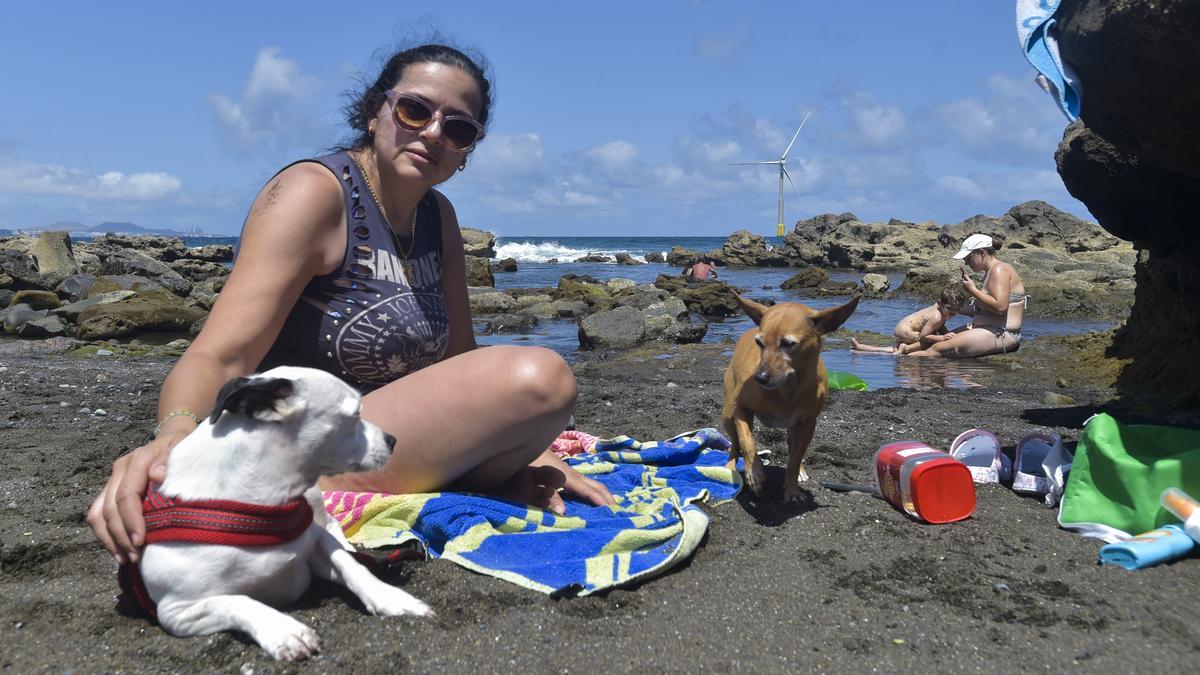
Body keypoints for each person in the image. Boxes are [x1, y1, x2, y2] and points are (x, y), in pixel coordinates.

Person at [88, 43, 615, 565]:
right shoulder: (314, 194)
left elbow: (459, 362)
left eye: (458, 128)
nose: (433, 132)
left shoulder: (440, 219)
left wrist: (533, 448)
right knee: (540, 377)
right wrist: (177, 431)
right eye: (415, 110)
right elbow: (221, 355)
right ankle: (275, 488)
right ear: (373, 112)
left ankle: (473, 474)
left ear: (466, 151)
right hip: (301, 436)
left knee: (536, 405)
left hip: (385, 436)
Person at [907, 233, 1027, 358]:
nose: (966, 263)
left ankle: (901, 367)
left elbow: (1000, 308)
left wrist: (972, 289)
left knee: (936, 349)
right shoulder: (989, 272)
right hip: (984, 329)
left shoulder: (1000, 270)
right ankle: (897, 354)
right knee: (932, 340)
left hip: (1002, 333)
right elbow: (983, 309)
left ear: (981, 253)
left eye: (968, 258)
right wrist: (949, 309)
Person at [851, 284, 968, 355]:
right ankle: (906, 348)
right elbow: (924, 336)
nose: (954, 312)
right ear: (940, 303)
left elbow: (940, 326)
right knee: (929, 343)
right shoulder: (937, 316)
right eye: (950, 308)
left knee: (893, 349)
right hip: (907, 331)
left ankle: (862, 348)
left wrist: (946, 333)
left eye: (957, 309)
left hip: (903, 328)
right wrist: (942, 338)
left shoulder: (940, 311)